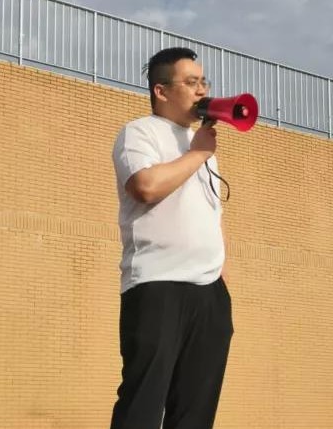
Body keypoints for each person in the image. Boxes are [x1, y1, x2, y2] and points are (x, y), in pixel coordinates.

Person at [110, 47, 234, 429]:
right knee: (142, 408)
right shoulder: (139, 132)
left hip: (209, 293)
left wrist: (221, 285)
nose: (202, 90)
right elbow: (145, 186)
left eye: (204, 82)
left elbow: (209, 216)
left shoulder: (201, 146)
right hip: (158, 285)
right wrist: (197, 155)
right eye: (191, 82)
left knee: (195, 414)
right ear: (161, 91)